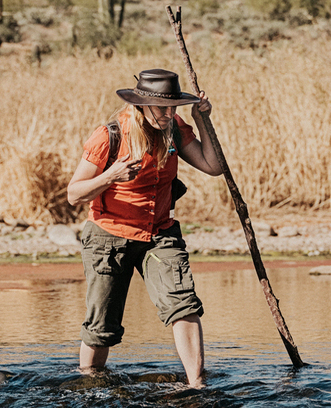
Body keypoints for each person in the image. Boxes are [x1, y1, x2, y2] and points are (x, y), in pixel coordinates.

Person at [67, 69, 222, 387]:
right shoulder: (110, 135)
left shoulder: (175, 128)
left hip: (160, 234)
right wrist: (111, 176)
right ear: (140, 104)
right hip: (109, 236)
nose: (168, 114)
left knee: (184, 304)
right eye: (161, 107)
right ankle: (89, 389)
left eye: (173, 107)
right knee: (101, 329)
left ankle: (197, 385)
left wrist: (202, 118)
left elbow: (214, 166)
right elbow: (74, 193)